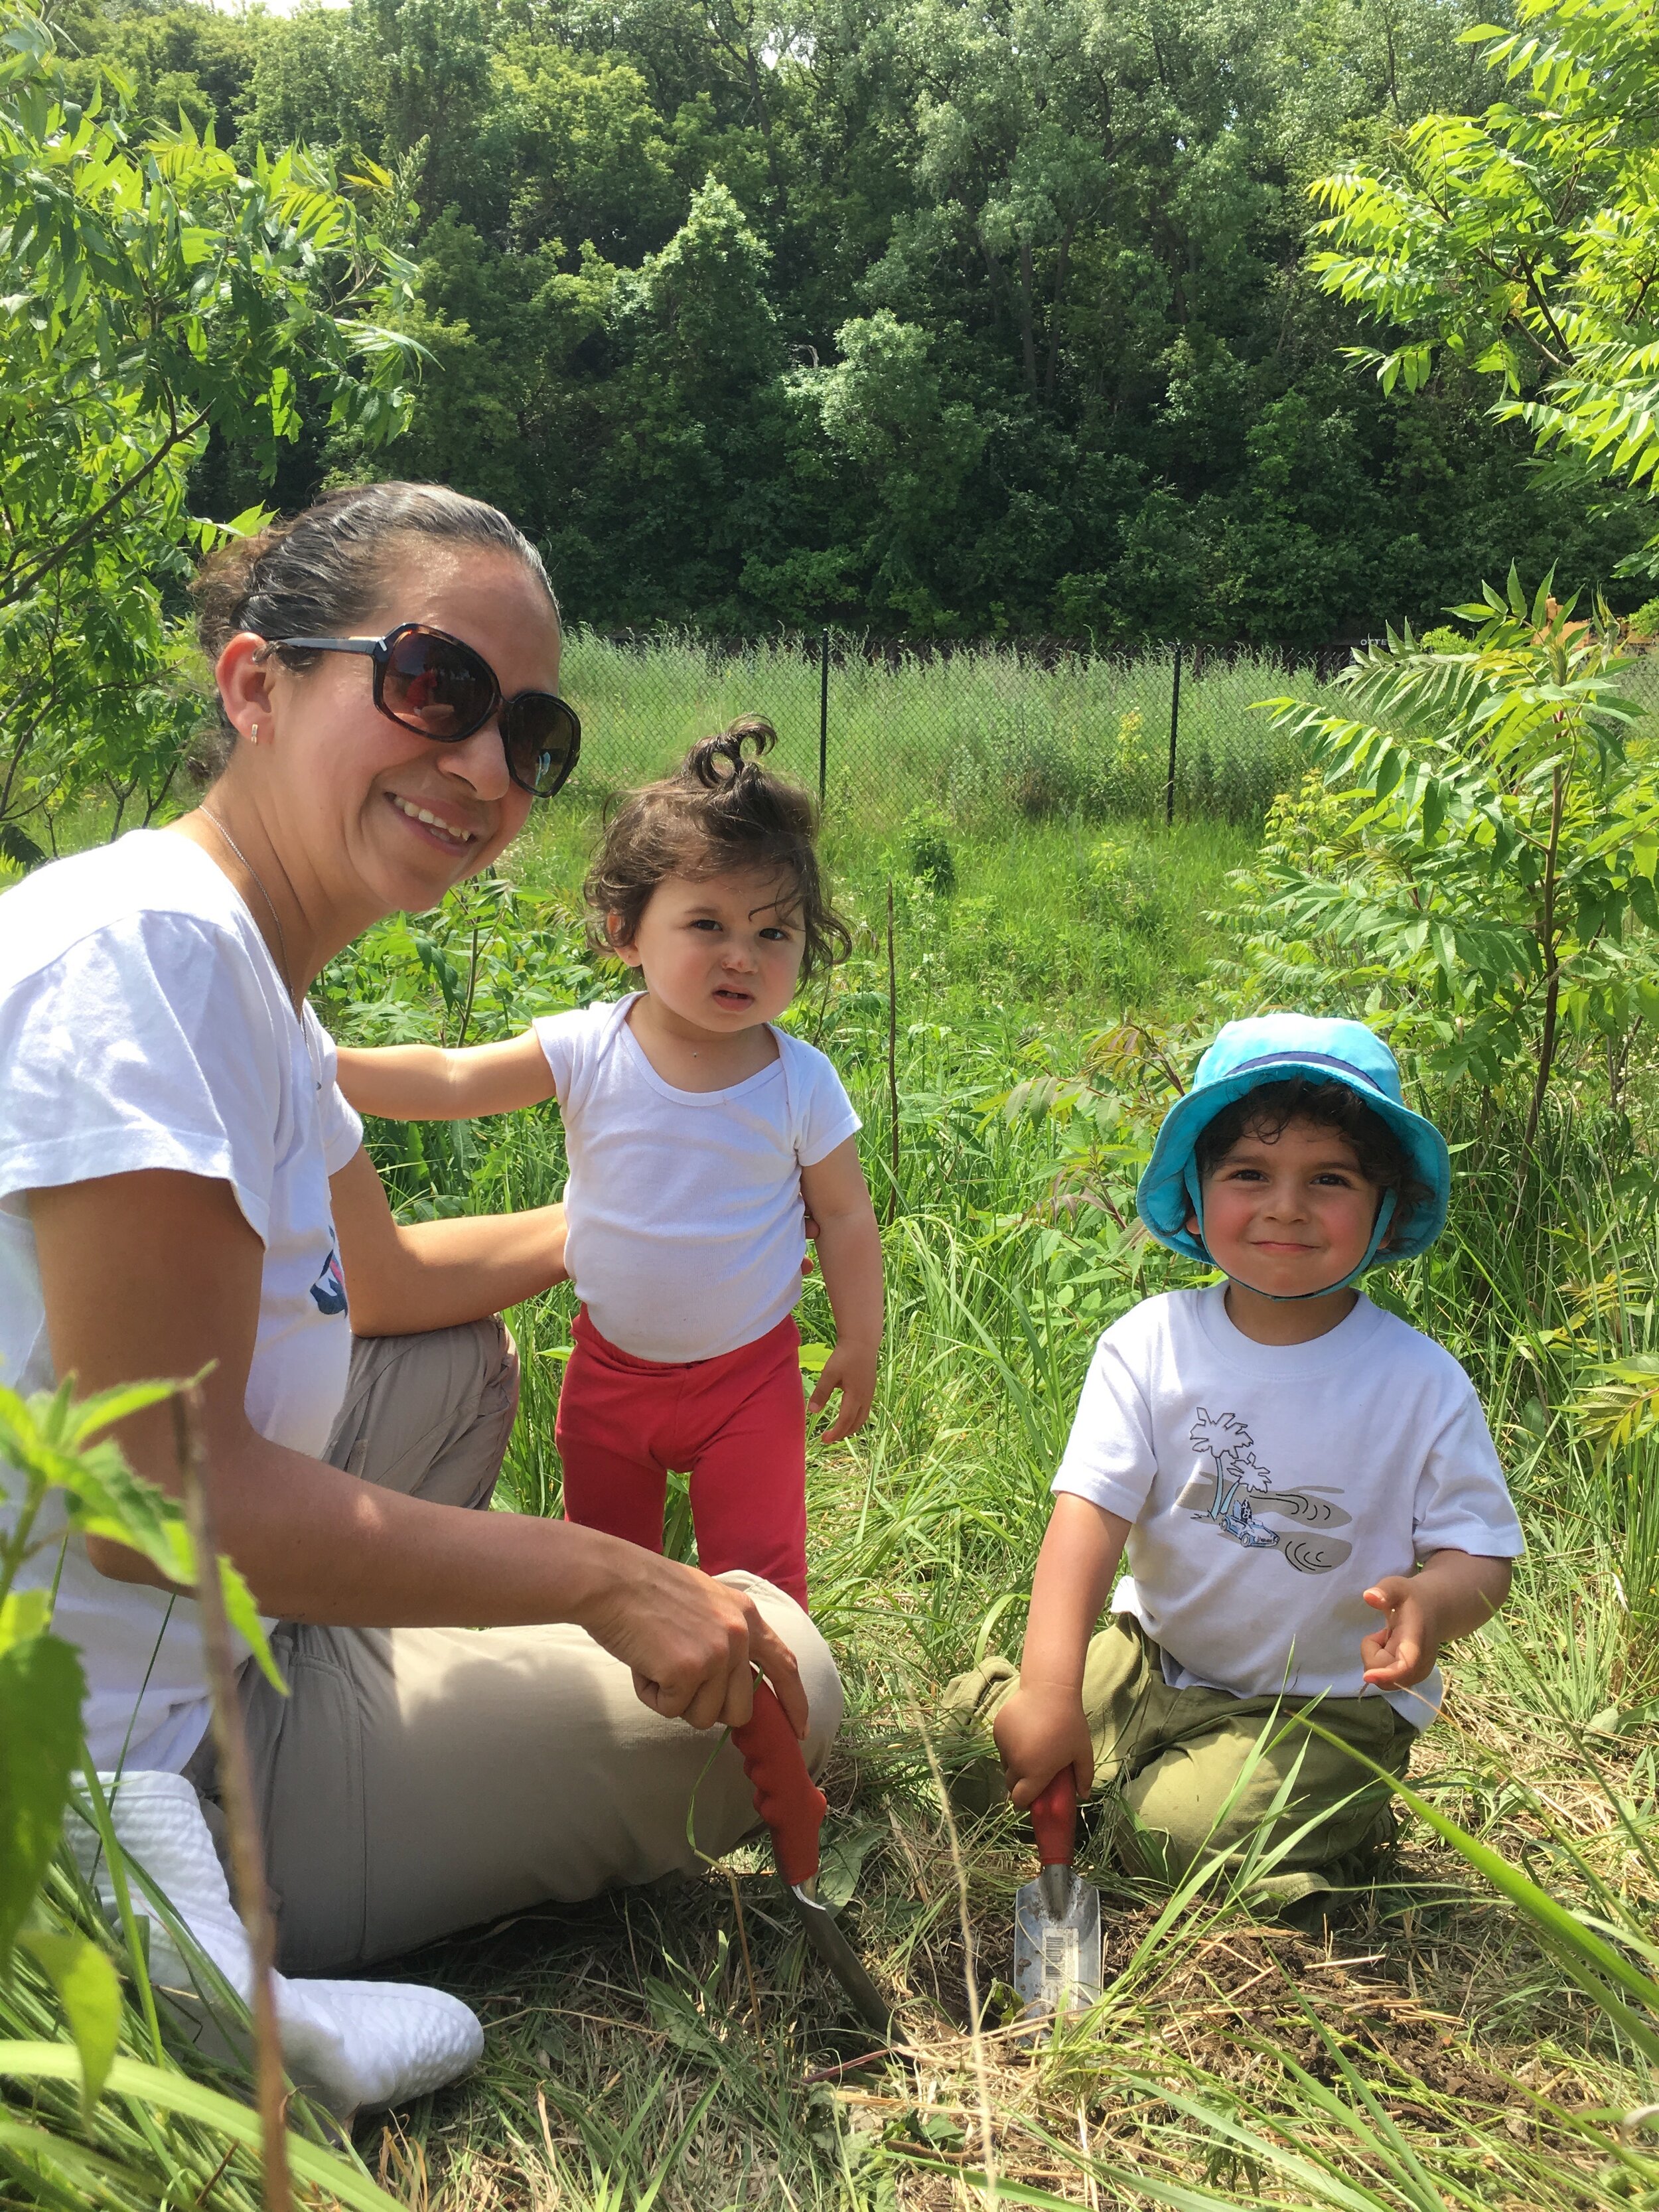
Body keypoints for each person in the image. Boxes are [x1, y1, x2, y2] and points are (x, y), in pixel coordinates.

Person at [0, 482, 841, 1988]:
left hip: (191, 1609)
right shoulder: (154, 957)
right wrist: (602, 1575)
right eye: (433, 684)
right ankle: (182, 1892)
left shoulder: (252, 973)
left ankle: (350, 1662)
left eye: (528, 733)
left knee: (454, 1360)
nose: (481, 765)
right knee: (787, 1661)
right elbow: (147, 1496)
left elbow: (378, 1285)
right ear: (257, 681)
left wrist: (625, 1220)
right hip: (111, 1729)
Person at [947, 1014, 1523, 1913]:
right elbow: (1088, 1518)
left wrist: (1433, 1606)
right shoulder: (1149, 1345)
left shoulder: (1418, 1381)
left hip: (1324, 1706)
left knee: (1167, 1834)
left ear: (1386, 1205)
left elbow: (1481, 1555)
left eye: (1328, 1179)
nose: (1285, 1205)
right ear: (1197, 1192)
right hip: (1157, 1659)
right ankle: (1121, 1771)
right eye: (1249, 1174)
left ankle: (1297, 1832)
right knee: (977, 1748)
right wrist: (1053, 1690)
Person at [334, 721, 883, 1609]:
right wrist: (326, 1065)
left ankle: (769, 1737)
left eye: (774, 932)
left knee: (764, 1583)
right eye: (707, 923)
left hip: (749, 1381)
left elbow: (849, 1217)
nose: (742, 953)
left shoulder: (801, 1082)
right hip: (610, 1377)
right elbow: (450, 1077)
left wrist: (859, 1337)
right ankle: (621, 1734)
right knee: (606, 1582)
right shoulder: (591, 1046)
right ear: (627, 932)